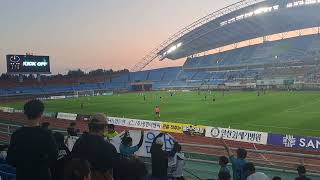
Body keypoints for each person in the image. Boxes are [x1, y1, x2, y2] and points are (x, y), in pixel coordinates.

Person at [6, 99, 58, 180]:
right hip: (41, 175)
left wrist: (23, 165)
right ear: (41, 114)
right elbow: (54, 156)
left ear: (25, 113)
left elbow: (10, 159)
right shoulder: (47, 134)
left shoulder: (17, 134)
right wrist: (42, 166)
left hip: (22, 175)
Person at [72, 113, 118, 180]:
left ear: (89, 126)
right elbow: (112, 174)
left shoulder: (78, 143)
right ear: (105, 128)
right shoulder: (110, 148)